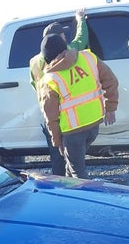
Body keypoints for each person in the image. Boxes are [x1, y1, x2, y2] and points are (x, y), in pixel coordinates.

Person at [38, 33, 119, 180]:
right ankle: (67, 195)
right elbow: (111, 81)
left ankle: (84, 200)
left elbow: (51, 117)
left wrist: (57, 143)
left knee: (78, 175)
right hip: (94, 125)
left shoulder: (49, 80)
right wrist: (111, 108)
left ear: (47, 58)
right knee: (72, 165)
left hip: (72, 132)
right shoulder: (88, 58)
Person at [29, 9, 88, 175]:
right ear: (61, 37)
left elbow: (34, 84)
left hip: (47, 115)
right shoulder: (68, 51)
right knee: (75, 158)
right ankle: (76, 190)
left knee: (57, 156)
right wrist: (81, 20)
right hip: (67, 116)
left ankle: (60, 187)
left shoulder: (33, 62)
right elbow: (81, 40)